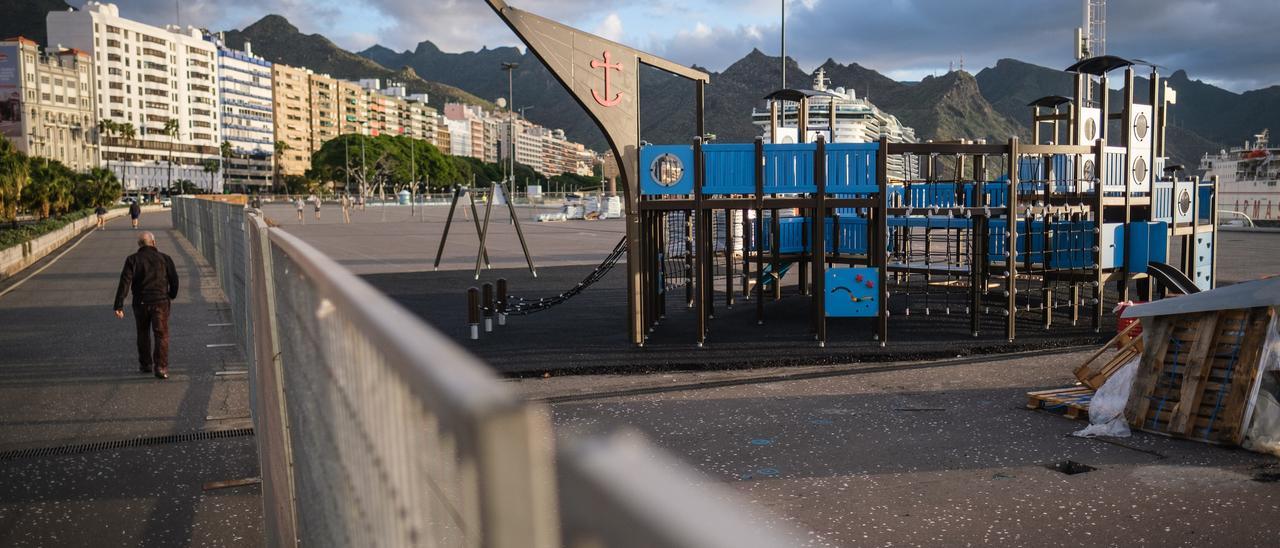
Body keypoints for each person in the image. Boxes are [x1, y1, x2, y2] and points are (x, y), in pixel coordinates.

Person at [114, 231, 179, 379]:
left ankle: (145, 364)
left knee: (142, 333)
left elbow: (125, 282)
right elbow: (174, 279)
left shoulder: (132, 260)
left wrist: (119, 305)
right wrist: (171, 295)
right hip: (160, 301)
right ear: (154, 243)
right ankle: (161, 368)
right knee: (161, 334)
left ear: (139, 245)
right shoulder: (165, 258)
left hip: (140, 302)